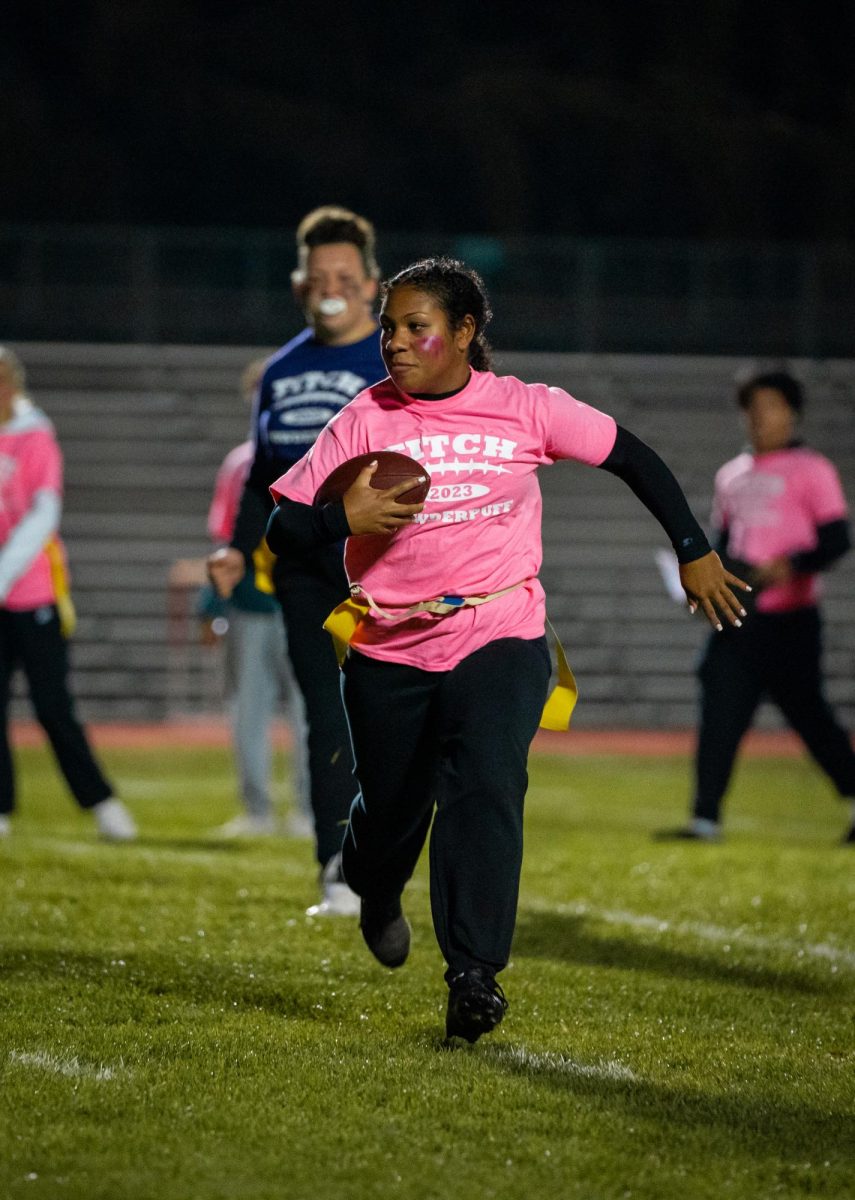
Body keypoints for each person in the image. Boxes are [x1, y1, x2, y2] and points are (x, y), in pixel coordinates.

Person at [264, 257, 748, 1043]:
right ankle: (375, 887)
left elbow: (631, 455)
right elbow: (280, 527)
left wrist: (691, 545)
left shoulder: (526, 408)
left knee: (485, 784)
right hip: (389, 645)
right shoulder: (362, 418)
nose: (393, 342)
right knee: (391, 810)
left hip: (500, 629)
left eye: (413, 328)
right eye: (388, 328)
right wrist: (335, 520)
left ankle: (472, 976)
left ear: (463, 333)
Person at [207, 206, 386, 914]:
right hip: (308, 568)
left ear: (371, 285)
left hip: (396, 571)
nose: (330, 288)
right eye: (318, 278)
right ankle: (335, 868)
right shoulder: (280, 372)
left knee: (406, 716)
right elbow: (261, 478)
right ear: (299, 287)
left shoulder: (395, 359)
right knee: (328, 713)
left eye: (344, 276)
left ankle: (412, 853)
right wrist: (233, 546)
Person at [664, 370, 855, 844]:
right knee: (719, 716)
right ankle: (704, 820)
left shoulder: (813, 469)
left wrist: (789, 565)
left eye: (769, 405)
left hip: (792, 620)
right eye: (752, 407)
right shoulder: (732, 474)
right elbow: (724, 543)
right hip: (740, 618)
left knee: (812, 719)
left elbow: (836, 540)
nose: (759, 416)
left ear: (792, 411)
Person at [0, 347, 136, 841]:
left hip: (34, 593)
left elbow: (42, 515)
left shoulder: (35, 435)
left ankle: (102, 803)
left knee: (53, 707)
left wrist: (2, 574)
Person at [199, 358, 311, 838]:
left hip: (304, 601)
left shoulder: (320, 454)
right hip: (251, 603)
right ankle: (259, 810)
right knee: (250, 709)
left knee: (313, 712)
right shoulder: (240, 463)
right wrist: (212, 602)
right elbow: (226, 539)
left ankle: (309, 810)